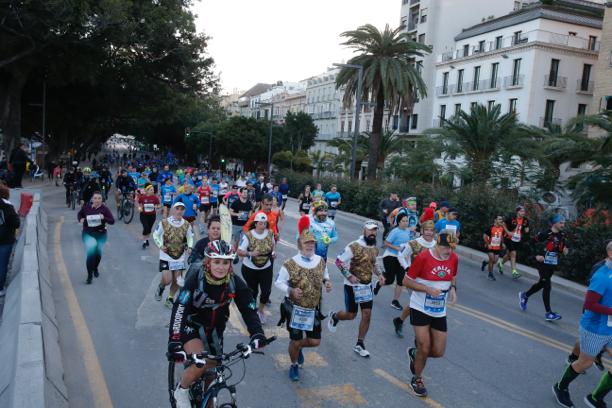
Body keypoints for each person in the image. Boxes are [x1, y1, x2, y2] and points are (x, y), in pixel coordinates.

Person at [168, 240, 266, 408]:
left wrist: (257, 333)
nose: (221, 267)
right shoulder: (196, 277)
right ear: (208, 262)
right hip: (191, 326)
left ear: (230, 264)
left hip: (214, 331)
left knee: (212, 379)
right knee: (201, 362)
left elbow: (249, 308)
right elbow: (180, 308)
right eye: (217, 262)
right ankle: (181, 390)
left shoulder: (234, 281)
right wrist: (175, 341)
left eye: (225, 262)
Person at [552, 241, 612, 408]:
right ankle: (560, 387)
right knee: (584, 363)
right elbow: (590, 304)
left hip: (610, 328)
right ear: (610, 254)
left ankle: (595, 399)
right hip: (595, 328)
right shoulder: (601, 276)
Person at [275, 216, 332, 381]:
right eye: (307, 243)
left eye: (312, 243)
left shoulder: (320, 260)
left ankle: (298, 347)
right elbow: (278, 282)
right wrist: (290, 290)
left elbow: (325, 275)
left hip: (313, 309)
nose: (310, 246)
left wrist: (327, 282)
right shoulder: (290, 263)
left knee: (315, 341)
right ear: (300, 245)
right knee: (294, 340)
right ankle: (293, 364)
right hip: (295, 309)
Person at [403, 231, 459, 398]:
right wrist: (427, 288)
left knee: (438, 351)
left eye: (452, 248)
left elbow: (453, 276)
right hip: (420, 307)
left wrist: (453, 289)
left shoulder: (454, 258)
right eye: (446, 247)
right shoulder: (423, 258)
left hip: (439, 310)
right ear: (437, 244)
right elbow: (407, 281)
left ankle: (414, 353)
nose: (449, 251)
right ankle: (417, 379)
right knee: (424, 346)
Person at [328, 220, 382, 357]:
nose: (372, 233)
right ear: (364, 230)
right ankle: (335, 316)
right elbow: (339, 261)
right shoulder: (354, 246)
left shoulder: (375, 248)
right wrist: (349, 276)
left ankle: (360, 343)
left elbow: (374, 264)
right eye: (370, 230)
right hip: (352, 286)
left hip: (367, 286)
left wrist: (380, 275)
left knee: (367, 314)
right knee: (351, 315)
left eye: (374, 230)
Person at [519, 214, 569, 321]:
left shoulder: (562, 235)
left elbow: (560, 248)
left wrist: (564, 250)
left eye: (564, 223)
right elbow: (531, 243)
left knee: (542, 283)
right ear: (554, 223)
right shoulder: (545, 234)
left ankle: (525, 295)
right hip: (541, 263)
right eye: (561, 222)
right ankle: (548, 313)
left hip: (551, 263)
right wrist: (536, 255)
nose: (563, 225)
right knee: (547, 285)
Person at [392, 220, 438, 337]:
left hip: (430, 280)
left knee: (416, 303)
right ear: (422, 230)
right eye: (426, 230)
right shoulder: (413, 243)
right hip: (413, 280)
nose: (429, 232)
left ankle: (400, 320)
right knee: (419, 303)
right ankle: (421, 334)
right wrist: (407, 268)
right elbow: (401, 255)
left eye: (431, 230)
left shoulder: (436, 245)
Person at [153, 202, 194, 307]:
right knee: (167, 279)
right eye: (177, 209)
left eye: (181, 209)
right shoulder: (164, 223)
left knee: (177, 280)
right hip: (166, 255)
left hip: (179, 256)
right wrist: (160, 245)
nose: (179, 211)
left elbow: (190, 237)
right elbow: (155, 235)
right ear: (172, 210)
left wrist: (189, 247)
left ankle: (170, 298)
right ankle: (161, 287)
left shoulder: (186, 224)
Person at [237, 213, 276, 324]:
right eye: (260, 223)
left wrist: (273, 253)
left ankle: (260, 311)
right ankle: (252, 312)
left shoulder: (270, 233)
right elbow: (239, 251)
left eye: (265, 223)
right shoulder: (248, 235)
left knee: (266, 291)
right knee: (252, 292)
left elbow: (273, 245)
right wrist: (250, 253)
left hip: (266, 267)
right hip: (250, 268)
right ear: (255, 223)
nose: (263, 225)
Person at [376, 213, 413, 310]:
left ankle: (395, 301)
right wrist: (397, 248)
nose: (405, 223)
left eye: (406, 221)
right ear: (398, 222)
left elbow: (408, 245)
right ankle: (379, 282)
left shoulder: (408, 232)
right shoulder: (395, 231)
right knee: (390, 280)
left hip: (402, 258)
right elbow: (386, 243)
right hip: (390, 256)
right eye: (403, 221)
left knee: (401, 280)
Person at [77, 191, 115, 284]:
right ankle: (89, 276)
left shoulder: (105, 209)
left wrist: (104, 218)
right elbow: (80, 214)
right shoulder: (86, 207)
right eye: (95, 198)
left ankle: (95, 268)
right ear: (92, 199)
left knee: (98, 253)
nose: (97, 200)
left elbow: (112, 221)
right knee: (91, 251)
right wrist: (80, 219)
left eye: (99, 198)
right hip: (88, 233)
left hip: (101, 234)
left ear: (102, 200)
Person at [499, 205, 530, 279]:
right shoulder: (511, 218)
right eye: (521, 211)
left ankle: (501, 263)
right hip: (508, 238)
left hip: (517, 239)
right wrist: (508, 232)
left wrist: (527, 230)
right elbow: (502, 224)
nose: (523, 213)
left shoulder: (525, 220)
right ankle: (514, 272)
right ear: (517, 212)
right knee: (513, 253)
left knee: (509, 254)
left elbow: (526, 228)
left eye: (524, 211)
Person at [0, 184, 20, 297]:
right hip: (5, 239)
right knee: (2, 264)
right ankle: (0, 288)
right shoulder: (7, 205)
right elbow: (16, 223)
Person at [229, 187, 253, 253]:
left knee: (243, 241)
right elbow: (230, 212)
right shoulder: (236, 202)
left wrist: (250, 216)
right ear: (241, 193)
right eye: (244, 193)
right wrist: (237, 214)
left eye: (246, 193)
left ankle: (240, 254)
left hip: (245, 225)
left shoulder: (249, 203)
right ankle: (233, 253)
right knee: (236, 241)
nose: (245, 194)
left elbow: (250, 211)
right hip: (236, 224)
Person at [482, 215, 505, 281]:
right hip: (490, 246)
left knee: (494, 261)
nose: (501, 220)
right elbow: (484, 236)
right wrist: (488, 244)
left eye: (501, 219)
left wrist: (502, 243)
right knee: (492, 259)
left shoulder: (501, 228)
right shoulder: (490, 227)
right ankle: (490, 274)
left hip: (497, 247)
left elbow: (501, 236)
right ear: (495, 220)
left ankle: (485, 262)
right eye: (499, 219)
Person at [138, 184, 161, 249]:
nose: (153, 191)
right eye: (151, 190)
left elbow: (159, 205)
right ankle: (144, 241)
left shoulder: (155, 198)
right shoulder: (142, 198)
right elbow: (139, 205)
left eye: (153, 190)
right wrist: (140, 208)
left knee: (149, 229)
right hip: (144, 215)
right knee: (146, 227)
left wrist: (157, 206)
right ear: (147, 190)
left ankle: (147, 239)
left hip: (152, 215)